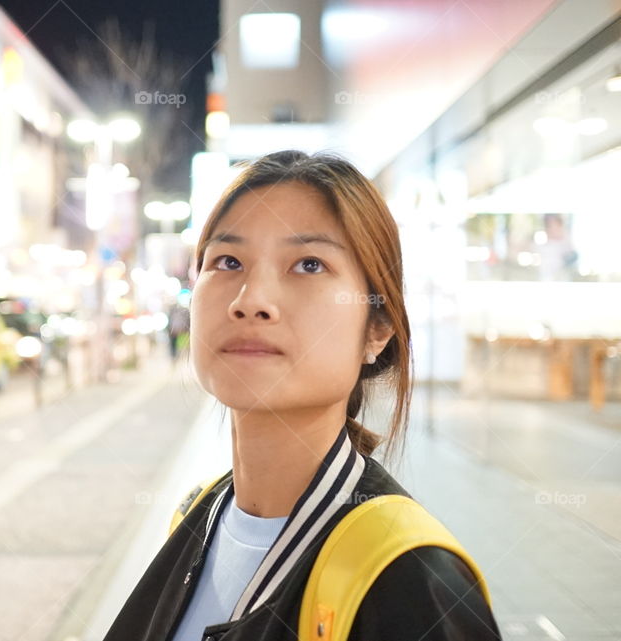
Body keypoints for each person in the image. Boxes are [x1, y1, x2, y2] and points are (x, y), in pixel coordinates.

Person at [102, 151, 501, 641]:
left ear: (377, 328)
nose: (250, 300)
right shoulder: (198, 516)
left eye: (309, 264)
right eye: (228, 261)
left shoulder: (410, 578)